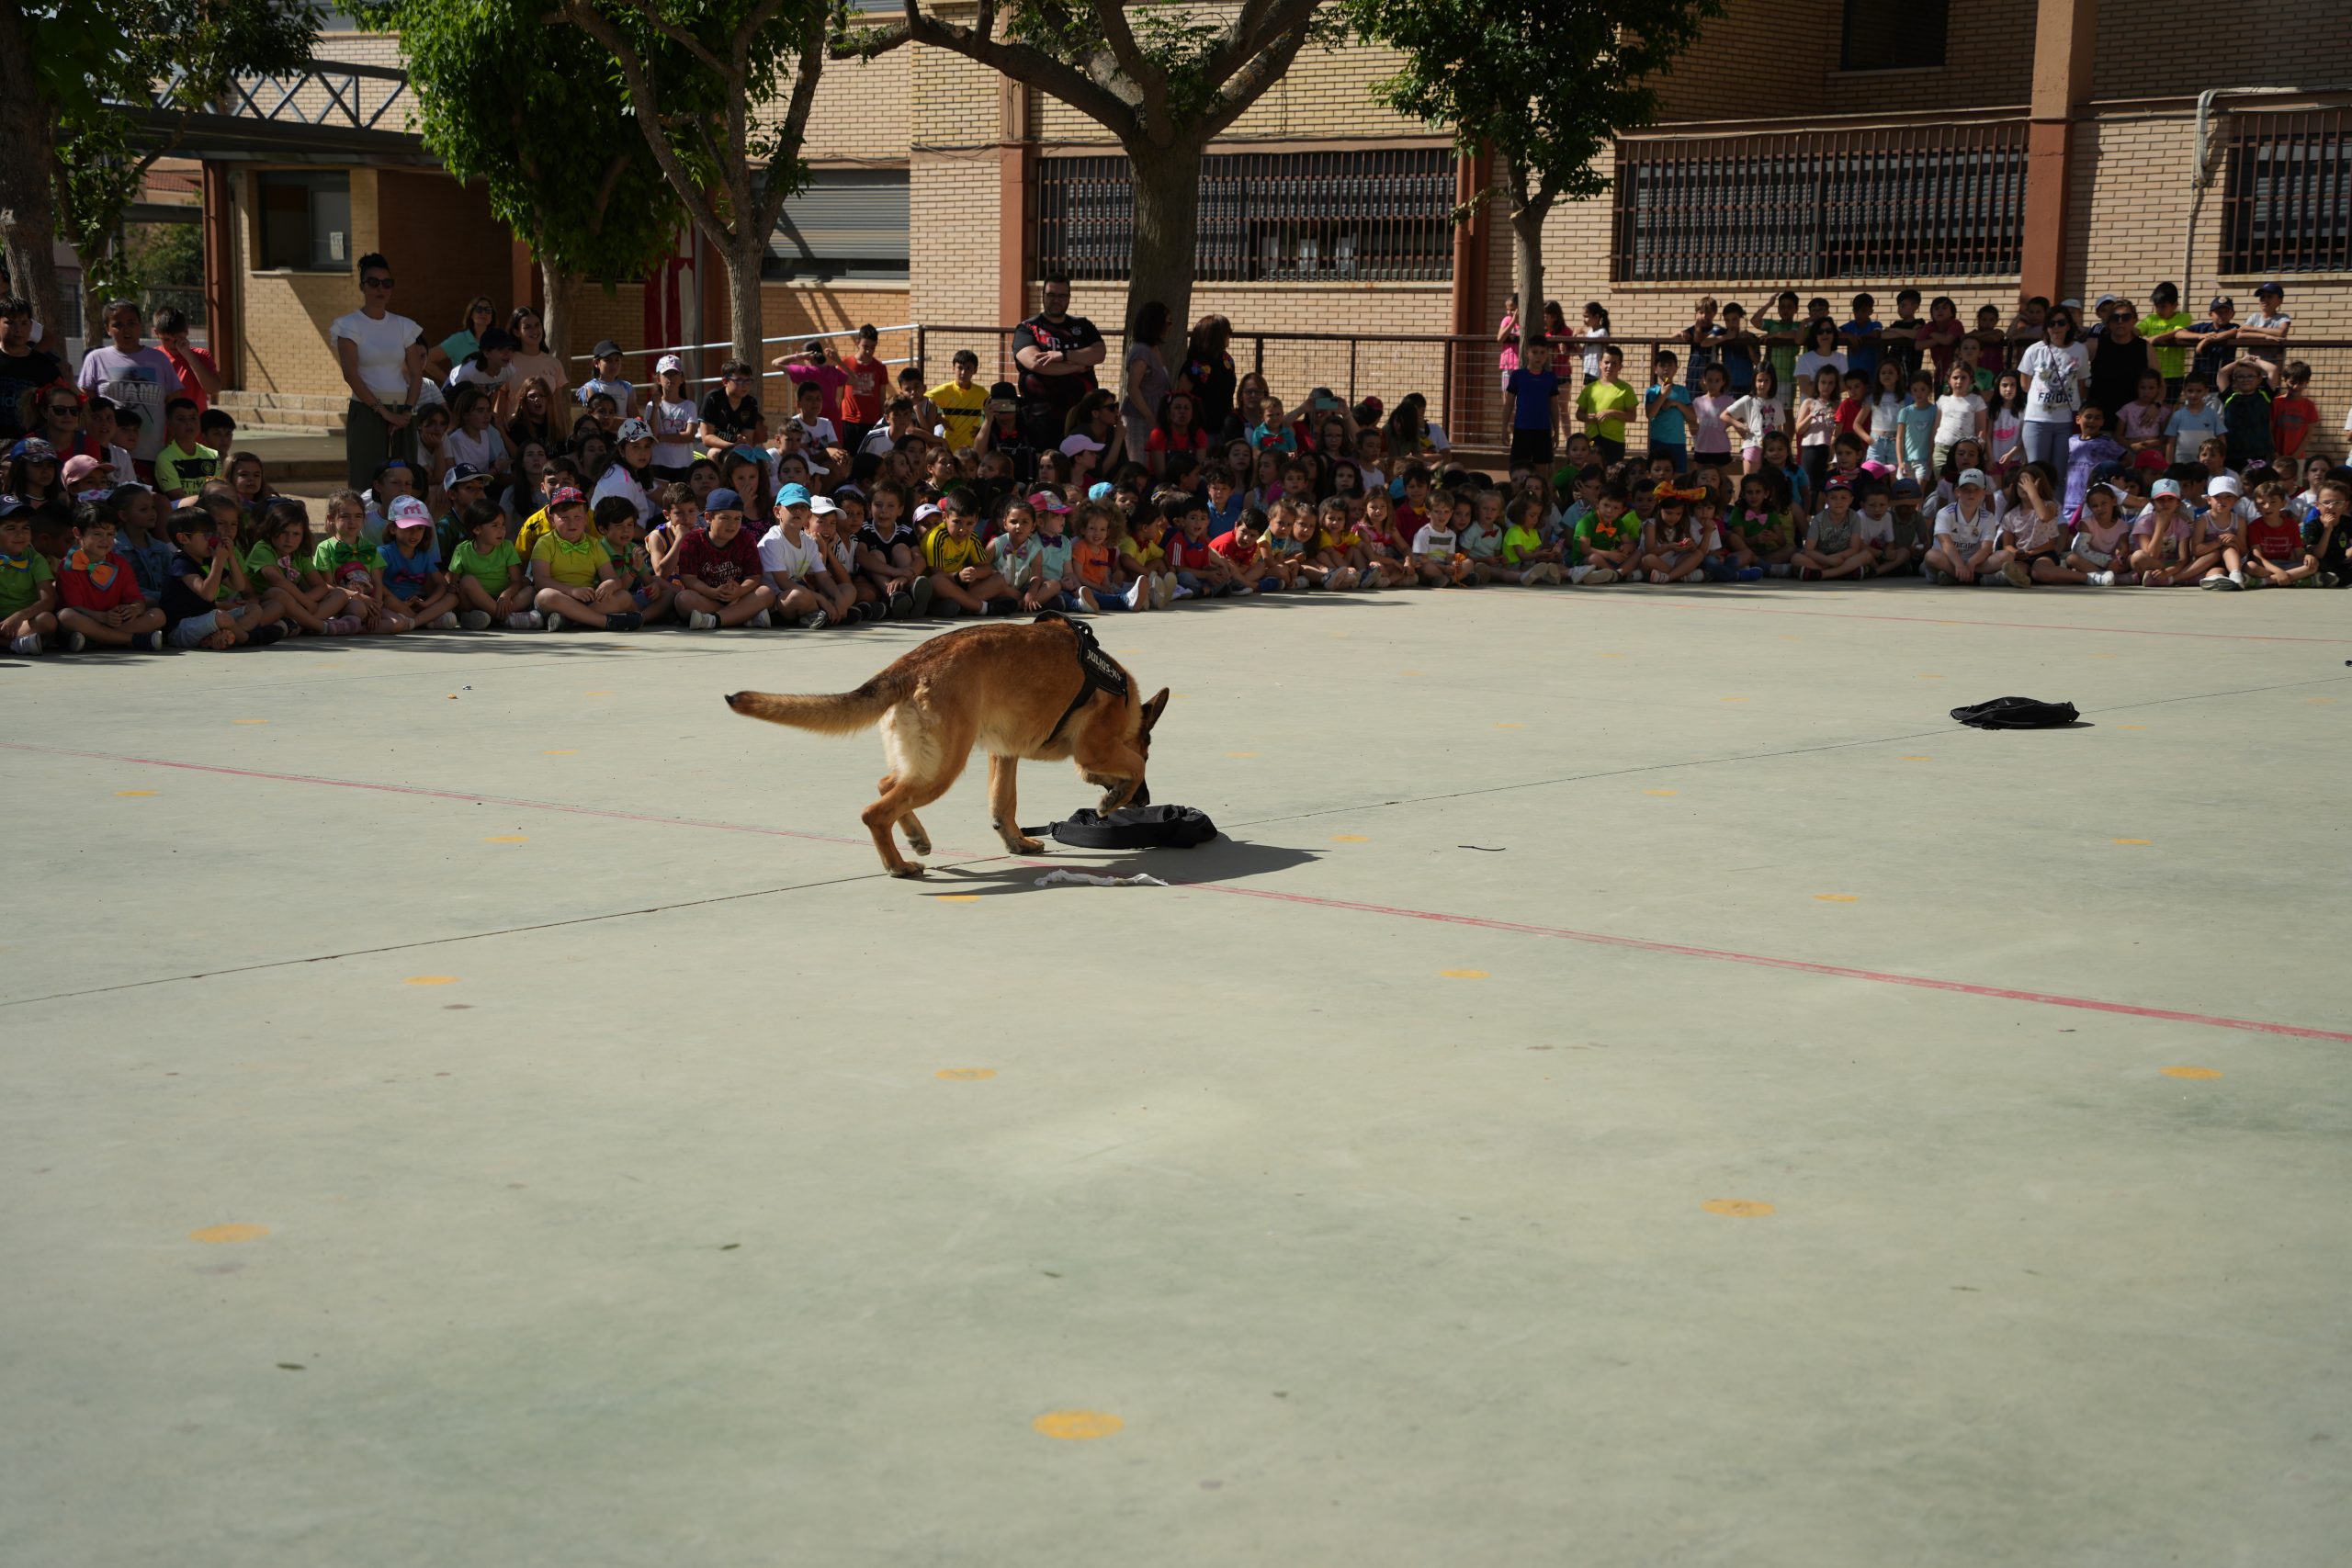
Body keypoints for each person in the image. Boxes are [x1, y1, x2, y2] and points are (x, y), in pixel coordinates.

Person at [329, 256, 425, 491]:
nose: (380, 289)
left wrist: (406, 412)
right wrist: (384, 413)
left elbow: (416, 374)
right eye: (373, 282)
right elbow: (350, 374)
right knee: (366, 482)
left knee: (405, 482)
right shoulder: (348, 325)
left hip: (403, 413)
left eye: (386, 283)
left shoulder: (404, 325)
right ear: (362, 286)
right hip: (367, 411)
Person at [76, 299, 185, 474]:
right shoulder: (96, 359)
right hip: (108, 457)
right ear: (107, 328)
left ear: (140, 325)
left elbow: (175, 406)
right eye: (118, 325)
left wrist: (170, 446)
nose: (126, 329)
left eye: (131, 323)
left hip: (152, 456)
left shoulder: (159, 359)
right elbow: (86, 406)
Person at [1012, 276, 1106, 456]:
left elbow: (1099, 353)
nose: (1056, 300)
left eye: (1062, 296)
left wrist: (1062, 355)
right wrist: (1076, 366)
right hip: (1040, 419)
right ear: (1043, 295)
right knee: (1045, 466)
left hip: (1080, 417)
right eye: (1051, 295)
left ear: (1069, 297)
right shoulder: (1028, 328)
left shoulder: (1083, 326)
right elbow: (1035, 363)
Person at [532, 486, 644, 630]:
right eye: (564, 517)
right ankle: (604, 621)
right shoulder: (544, 543)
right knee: (545, 596)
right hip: (560, 600)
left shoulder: (594, 544)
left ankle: (570, 621)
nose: (572, 523)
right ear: (551, 518)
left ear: (586, 518)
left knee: (624, 596)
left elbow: (613, 579)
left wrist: (610, 584)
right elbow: (541, 580)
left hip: (589, 601)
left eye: (577, 517)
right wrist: (572, 591)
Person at [2016, 304, 2090, 469]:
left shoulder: (2080, 350)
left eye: (2061, 323)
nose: (2056, 327)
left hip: (2066, 420)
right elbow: (2025, 384)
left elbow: (2081, 383)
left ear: (2068, 326)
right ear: (2046, 327)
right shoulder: (2034, 350)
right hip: (2037, 419)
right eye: (2051, 323)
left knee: (2060, 471)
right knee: (2036, 470)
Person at [448, 501, 541, 629]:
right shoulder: (462, 550)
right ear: (477, 529)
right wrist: (453, 586)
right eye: (495, 525)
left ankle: (490, 617)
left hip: (501, 600)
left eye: (503, 524)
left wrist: (506, 595)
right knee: (467, 581)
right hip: (473, 604)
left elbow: (516, 581)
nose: (501, 530)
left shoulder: (507, 547)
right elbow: (454, 582)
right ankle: (506, 618)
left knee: (529, 589)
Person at [0, 298, 63, 445]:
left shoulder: (45, 366)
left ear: (31, 326)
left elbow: (60, 406)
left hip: (32, 447)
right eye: (10, 323)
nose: (18, 329)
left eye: (24, 323)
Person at [2240, 479, 2321, 588]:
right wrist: (2278, 572)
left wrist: (2307, 556)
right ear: (2257, 507)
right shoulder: (2254, 527)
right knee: (2250, 566)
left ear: (2283, 503)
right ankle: (2296, 580)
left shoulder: (2292, 525)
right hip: (2266, 565)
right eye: (2262, 503)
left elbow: (2299, 554)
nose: (2267, 506)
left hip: (2286, 564)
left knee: (2313, 565)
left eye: (2273, 502)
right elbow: (2257, 557)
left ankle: (2265, 581)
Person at [1926, 468, 2001, 584]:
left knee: (2006, 556)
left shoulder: (1988, 517)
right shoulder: (1944, 513)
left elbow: (1986, 548)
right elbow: (1946, 543)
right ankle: (1978, 579)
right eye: (1966, 490)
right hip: (1948, 559)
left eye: (1976, 489)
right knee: (1931, 556)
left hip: (1975, 563)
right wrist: (1959, 565)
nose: (1971, 493)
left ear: (1983, 493)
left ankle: (1954, 577)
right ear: (1958, 492)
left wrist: (1971, 563)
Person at [2087, 299, 2152, 418]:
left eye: (2126, 317)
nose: (2120, 321)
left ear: (2134, 320)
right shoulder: (2095, 345)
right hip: (2100, 419)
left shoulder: (2145, 347)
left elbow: (2159, 382)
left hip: (2133, 418)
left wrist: (2156, 405)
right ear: (2109, 322)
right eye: (2115, 318)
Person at [835, 326, 891, 455]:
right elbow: (838, 396)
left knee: (868, 457)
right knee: (848, 456)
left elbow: (882, 397)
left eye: (872, 347)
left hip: (871, 421)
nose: (868, 351)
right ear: (857, 342)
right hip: (849, 421)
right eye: (865, 346)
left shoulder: (880, 368)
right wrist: (836, 419)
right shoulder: (845, 364)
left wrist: (883, 420)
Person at [1577, 345, 1636, 464]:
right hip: (1592, 439)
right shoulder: (1590, 388)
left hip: (1615, 441)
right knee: (1592, 471)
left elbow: (1632, 417)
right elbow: (1579, 414)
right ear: (1600, 364)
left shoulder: (1626, 389)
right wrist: (1587, 417)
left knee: (1613, 472)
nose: (1609, 366)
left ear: (1620, 367)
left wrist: (1612, 413)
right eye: (1606, 362)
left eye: (1614, 363)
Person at [426, 296, 498, 382]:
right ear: (471, 314)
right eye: (479, 309)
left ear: (492, 317)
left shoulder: (498, 341)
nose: (483, 313)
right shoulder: (458, 340)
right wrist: (448, 381)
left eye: (488, 310)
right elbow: (426, 359)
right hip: (464, 390)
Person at [1643, 351, 1691, 471]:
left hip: (1677, 442)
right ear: (1655, 369)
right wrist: (1663, 395)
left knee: (1679, 477)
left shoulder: (1682, 391)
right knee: (1658, 476)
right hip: (1657, 442)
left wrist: (1676, 403)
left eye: (1670, 365)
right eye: (1662, 365)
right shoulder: (1651, 391)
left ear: (1676, 369)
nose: (1666, 369)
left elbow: (1692, 417)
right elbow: (1650, 414)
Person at [931, 349, 987, 451]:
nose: (963, 372)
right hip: (949, 447)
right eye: (960, 368)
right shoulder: (945, 390)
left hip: (972, 450)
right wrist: (938, 418)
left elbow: (994, 410)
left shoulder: (981, 393)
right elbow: (923, 400)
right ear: (953, 369)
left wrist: (982, 429)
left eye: (968, 368)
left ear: (975, 370)